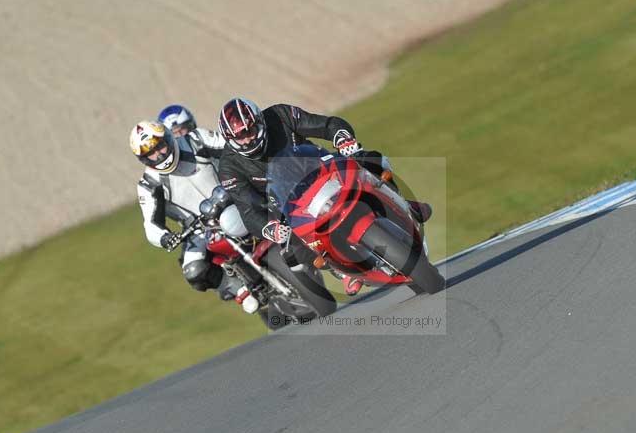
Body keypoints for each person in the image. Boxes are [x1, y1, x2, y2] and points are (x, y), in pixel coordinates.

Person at [215, 97, 431, 295]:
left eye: (250, 130)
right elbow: (247, 210)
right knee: (291, 247)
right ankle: (342, 269)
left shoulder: (280, 115)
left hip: (322, 169)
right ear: (230, 139)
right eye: (240, 136)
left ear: (260, 121)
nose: (248, 139)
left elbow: (326, 125)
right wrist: (269, 228)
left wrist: (342, 138)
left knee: (373, 160)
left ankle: (403, 204)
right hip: (289, 205)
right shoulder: (229, 166)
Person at [130, 117, 240, 300]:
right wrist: (165, 238)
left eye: (159, 146)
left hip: (235, 200)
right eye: (151, 153)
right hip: (200, 229)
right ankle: (239, 289)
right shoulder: (148, 184)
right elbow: (150, 225)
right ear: (143, 159)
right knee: (193, 270)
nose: (158, 155)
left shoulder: (196, 139)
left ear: (167, 138)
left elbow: (232, 146)